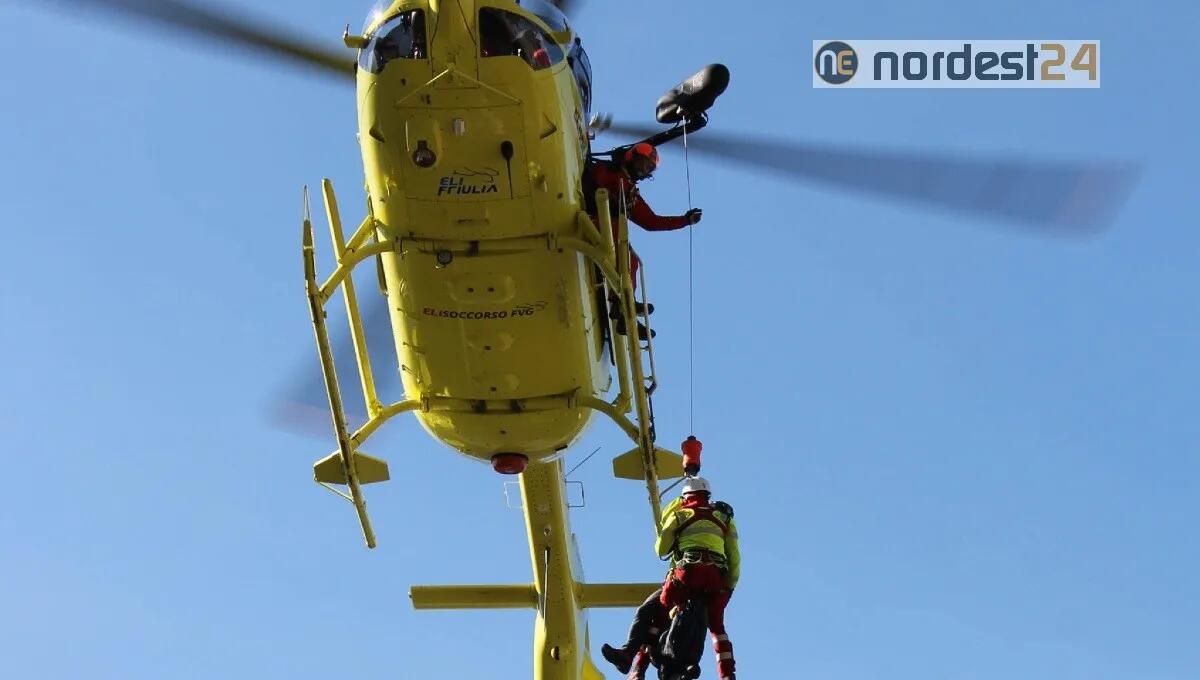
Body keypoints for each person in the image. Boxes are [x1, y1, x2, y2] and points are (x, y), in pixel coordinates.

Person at [601, 477, 739, 680]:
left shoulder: (680, 514)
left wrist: (674, 512)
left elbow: (661, 549)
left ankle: (633, 663)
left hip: (686, 576)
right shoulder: (725, 518)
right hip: (714, 581)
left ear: (685, 496)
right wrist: (728, 587)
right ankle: (727, 675)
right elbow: (734, 557)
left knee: (653, 613)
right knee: (718, 629)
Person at [583, 141, 702, 340]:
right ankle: (623, 306)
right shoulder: (609, 170)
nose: (645, 170)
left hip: (604, 230)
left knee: (633, 261)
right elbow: (599, 180)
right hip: (592, 220)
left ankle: (623, 310)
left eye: (649, 168)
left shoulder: (629, 191)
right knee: (624, 253)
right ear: (632, 156)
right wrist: (615, 196)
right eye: (644, 163)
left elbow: (651, 222)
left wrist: (684, 220)